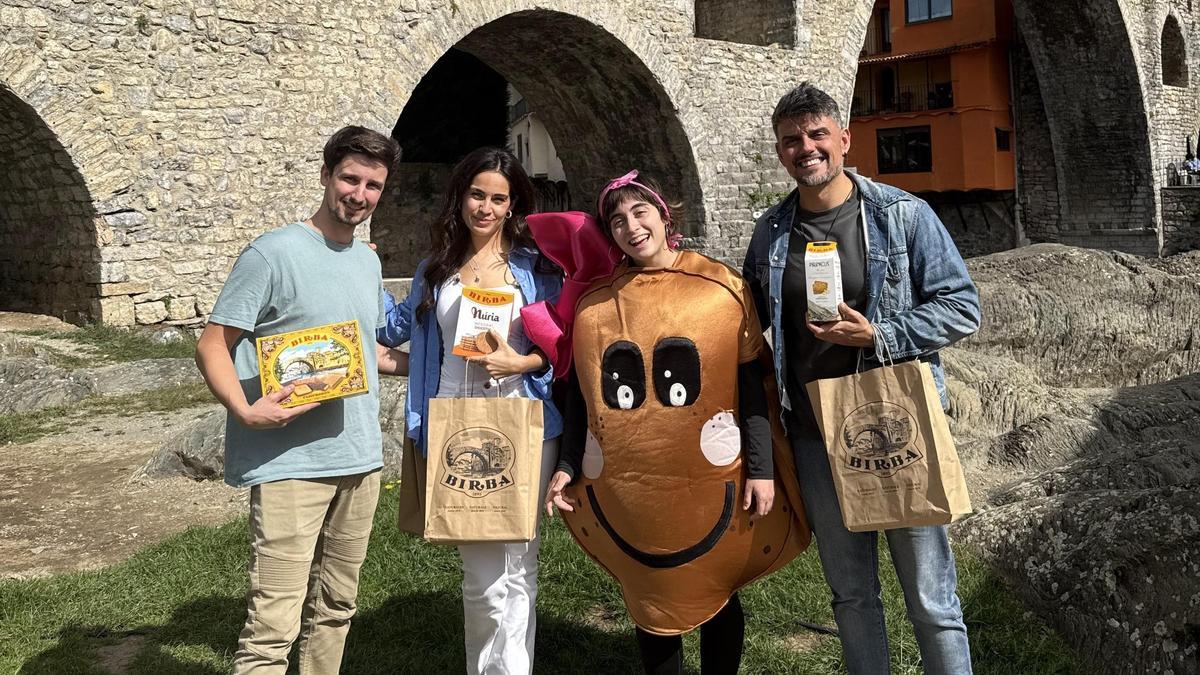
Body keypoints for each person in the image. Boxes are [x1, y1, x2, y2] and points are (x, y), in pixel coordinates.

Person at [742, 82, 981, 674]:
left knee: (931, 598)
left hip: (894, 423)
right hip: (814, 435)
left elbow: (962, 306)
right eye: (792, 140)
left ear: (844, 139)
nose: (806, 148)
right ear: (780, 153)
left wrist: (881, 334)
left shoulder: (903, 215)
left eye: (818, 134)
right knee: (852, 598)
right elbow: (743, 322)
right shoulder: (770, 233)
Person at [541, 171, 810, 675]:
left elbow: (751, 387)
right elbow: (582, 399)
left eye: (640, 212)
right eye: (616, 220)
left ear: (665, 216)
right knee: (650, 589)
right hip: (633, 482)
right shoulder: (596, 306)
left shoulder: (721, 286)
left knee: (714, 575)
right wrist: (568, 464)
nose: (631, 226)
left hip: (712, 476)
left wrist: (762, 468)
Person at [194, 125, 408, 674]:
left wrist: (441, 365)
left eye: (373, 185)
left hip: (359, 459)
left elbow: (366, 353)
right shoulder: (271, 254)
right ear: (325, 176)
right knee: (273, 626)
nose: (359, 194)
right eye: (349, 178)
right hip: (290, 463)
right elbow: (214, 345)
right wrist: (244, 410)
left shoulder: (367, 261)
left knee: (336, 608)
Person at [377, 147, 562, 675]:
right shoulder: (435, 271)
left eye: (498, 198)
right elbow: (394, 332)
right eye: (477, 194)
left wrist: (522, 359)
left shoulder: (536, 270)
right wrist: (359, 268)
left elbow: (562, 347)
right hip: (455, 419)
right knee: (483, 577)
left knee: (520, 563)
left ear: (512, 206)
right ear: (460, 197)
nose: (485, 207)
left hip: (523, 419)